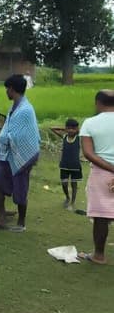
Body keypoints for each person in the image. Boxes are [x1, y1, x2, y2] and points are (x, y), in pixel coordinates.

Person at [0, 74, 40, 232]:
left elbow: (21, 134)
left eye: (7, 89)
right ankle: (1, 218)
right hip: (6, 154)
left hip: (21, 155)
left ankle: (21, 223)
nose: (6, 92)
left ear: (12, 89)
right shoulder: (15, 107)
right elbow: (9, 130)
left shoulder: (25, 109)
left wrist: (2, 136)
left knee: (20, 189)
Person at [78, 90, 114, 264]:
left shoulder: (90, 123)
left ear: (98, 103)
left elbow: (88, 153)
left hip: (102, 173)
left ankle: (99, 255)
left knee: (101, 216)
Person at [58, 118, 82, 211]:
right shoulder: (64, 137)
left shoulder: (79, 138)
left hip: (75, 166)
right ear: (66, 128)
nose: (71, 130)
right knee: (64, 183)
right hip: (64, 165)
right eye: (69, 128)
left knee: (74, 184)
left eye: (73, 128)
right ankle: (67, 197)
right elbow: (54, 129)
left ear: (77, 129)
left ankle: (72, 202)